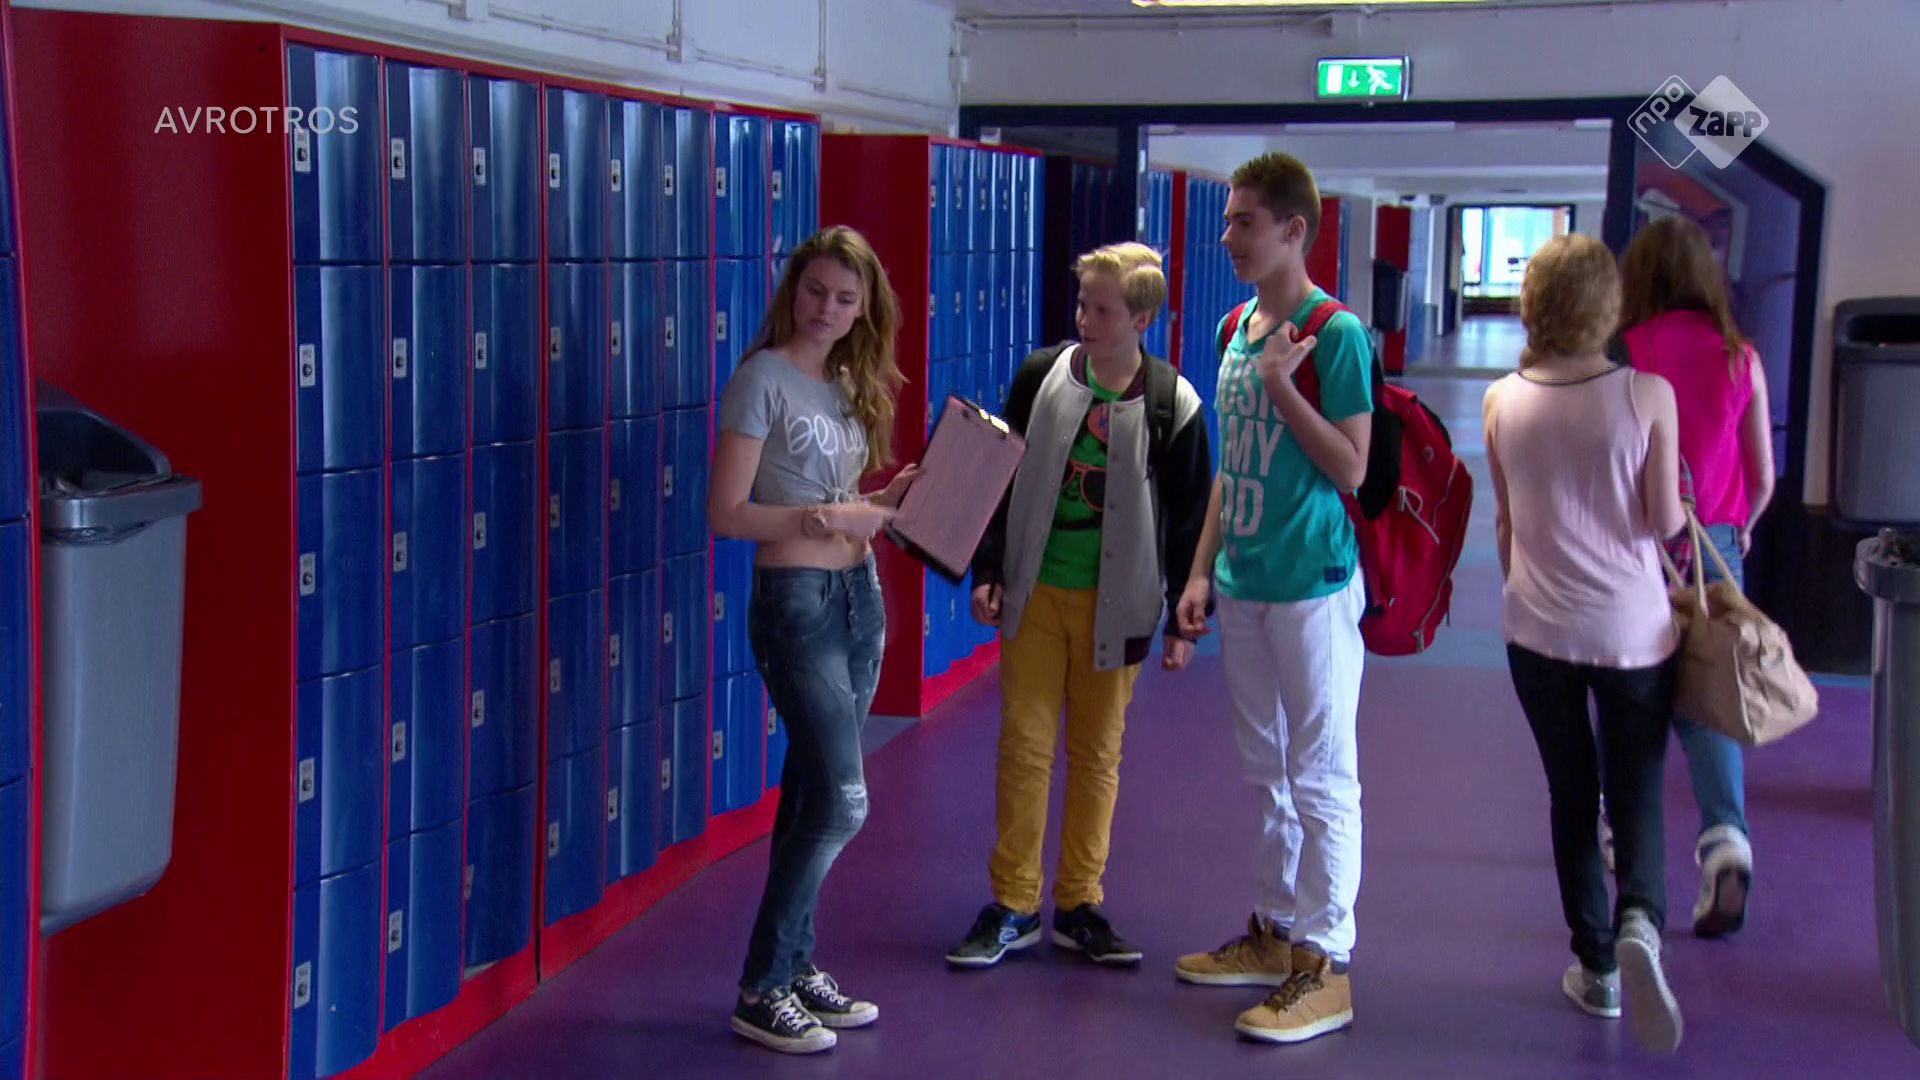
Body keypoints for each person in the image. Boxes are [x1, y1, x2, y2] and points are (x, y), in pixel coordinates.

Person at [947, 241, 1213, 971]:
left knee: (1098, 754)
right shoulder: (1042, 377)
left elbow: (1191, 518)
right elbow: (998, 476)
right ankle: (1014, 902)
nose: (1085, 320)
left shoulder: (1174, 403)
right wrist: (988, 568)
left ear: (1142, 319)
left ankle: (1080, 903)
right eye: (1082, 305)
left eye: (1102, 310)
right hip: (1035, 594)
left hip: (1118, 607)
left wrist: (1188, 615)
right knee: (1024, 747)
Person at [1172, 152, 1373, 1046]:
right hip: (1245, 582)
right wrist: (1200, 570)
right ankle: (1274, 931)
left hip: (1311, 589)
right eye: (1227, 220)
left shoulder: (1336, 334)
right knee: (1268, 772)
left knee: (1323, 775)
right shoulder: (1234, 327)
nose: (1228, 237)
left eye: (1244, 222)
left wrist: (1285, 383)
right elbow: (1233, 464)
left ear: (1295, 230)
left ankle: (1326, 965)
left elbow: (1352, 467)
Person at [708, 226, 919, 1055]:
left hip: (858, 596)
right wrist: (828, 518)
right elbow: (728, 514)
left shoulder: (847, 382)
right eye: (815, 291)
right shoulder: (761, 379)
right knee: (842, 799)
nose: (826, 309)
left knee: (809, 791)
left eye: (844, 298)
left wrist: (885, 499)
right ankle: (761, 986)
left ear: (865, 309)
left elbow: (841, 493)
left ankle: (794, 968)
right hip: (796, 600)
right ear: (793, 289)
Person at [1483, 233, 1688, 1054]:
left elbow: (1506, 523)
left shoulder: (1502, 400)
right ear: (1609, 306)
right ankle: (1641, 920)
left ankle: (1596, 968)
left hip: (1538, 631)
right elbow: (1663, 521)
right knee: (1636, 787)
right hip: (1634, 632)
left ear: (1534, 304)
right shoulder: (1647, 394)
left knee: (1572, 795)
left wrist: (1527, 588)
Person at [1619, 215, 1774, 938]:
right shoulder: (1741, 356)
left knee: (1631, 688)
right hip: (1715, 547)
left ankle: (1621, 830)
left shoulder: (1626, 350)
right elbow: (1763, 476)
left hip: (1635, 547)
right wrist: (1738, 528)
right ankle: (1726, 843)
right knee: (1710, 696)